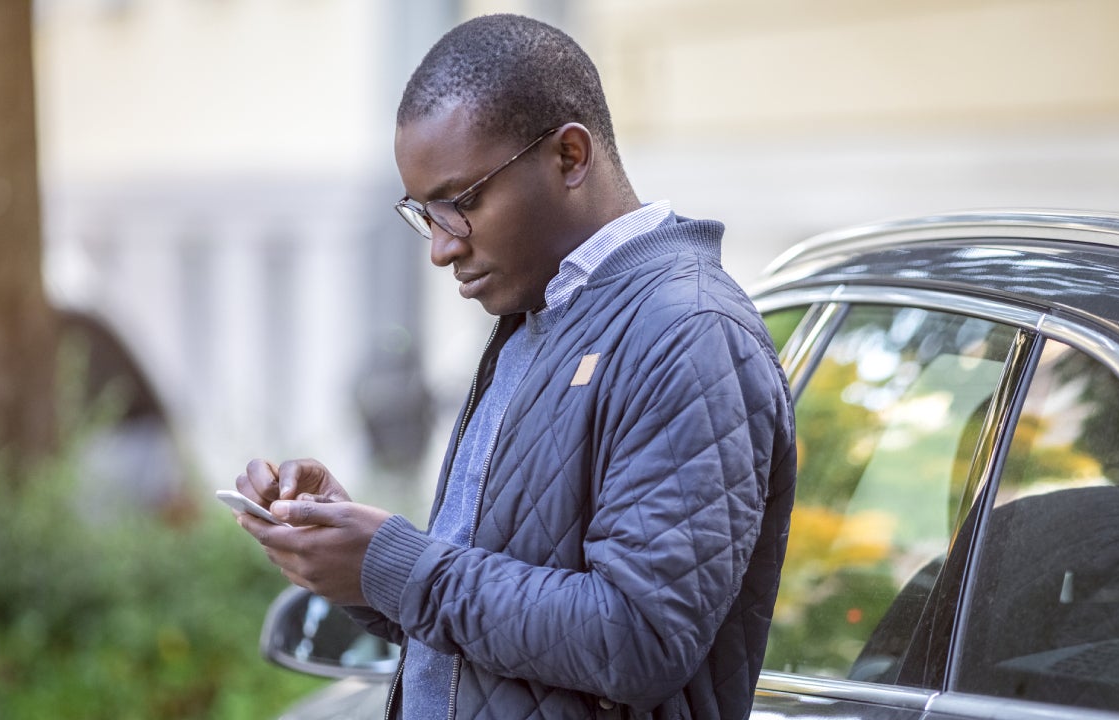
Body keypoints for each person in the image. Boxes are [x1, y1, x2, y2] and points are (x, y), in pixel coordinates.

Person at [233, 13, 796, 719]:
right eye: (425, 213)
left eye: (462, 203)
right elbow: (486, 631)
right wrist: (348, 551)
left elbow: (638, 640)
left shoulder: (690, 333)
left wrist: (397, 564)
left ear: (569, 157)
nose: (441, 247)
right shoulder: (535, 315)